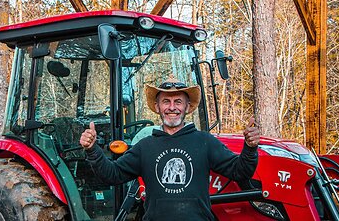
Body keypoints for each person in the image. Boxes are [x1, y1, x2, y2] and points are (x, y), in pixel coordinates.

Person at [80, 77, 260, 221]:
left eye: (178, 102)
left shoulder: (205, 142)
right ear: (157, 107)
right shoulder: (145, 146)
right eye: (166, 101)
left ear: (187, 107)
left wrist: (250, 148)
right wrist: (92, 149)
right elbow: (112, 174)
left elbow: (240, 172)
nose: (172, 107)